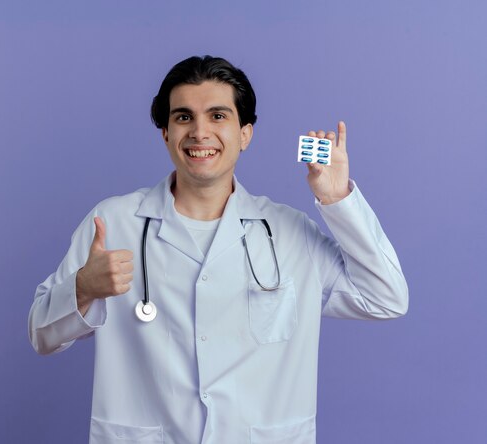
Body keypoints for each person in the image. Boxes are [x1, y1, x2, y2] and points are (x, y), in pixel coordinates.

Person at [28, 55, 408, 444]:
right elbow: (42, 335)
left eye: (218, 116)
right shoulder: (113, 223)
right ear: (165, 133)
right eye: (183, 117)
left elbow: (386, 298)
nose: (199, 132)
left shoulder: (289, 233)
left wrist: (337, 200)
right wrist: (83, 288)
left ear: (245, 133)